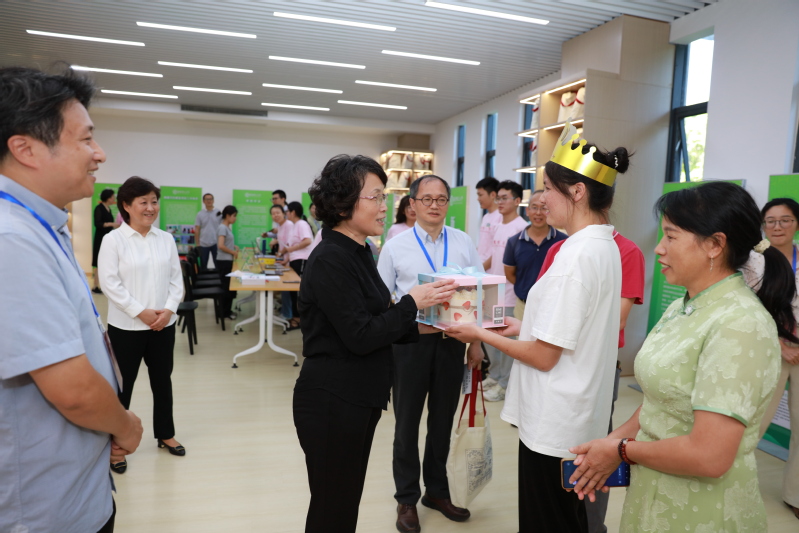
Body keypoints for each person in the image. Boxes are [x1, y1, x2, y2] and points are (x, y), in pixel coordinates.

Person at [568, 181, 797, 532]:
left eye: (671, 236)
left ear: (714, 245)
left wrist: (622, 450)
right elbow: (663, 398)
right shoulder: (683, 306)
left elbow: (710, 456)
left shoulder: (739, 323)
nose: (659, 248)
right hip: (655, 493)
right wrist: (610, 443)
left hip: (703, 510)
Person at [447, 124, 629, 532]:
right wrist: (523, 324)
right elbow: (577, 327)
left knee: (546, 521)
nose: (542, 199)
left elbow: (545, 357)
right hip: (580, 415)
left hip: (555, 423)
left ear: (577, 192)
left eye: (548, 188)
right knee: (568, 519)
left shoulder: (573, 257)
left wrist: (480, 334)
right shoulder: (604, 247)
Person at [0, 65, 143, 533]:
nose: (99, 154)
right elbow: (73, 390)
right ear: (25, 149)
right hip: (44, 512)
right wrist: (124, 425)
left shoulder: (41, 226)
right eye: (85, 139)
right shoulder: (12, 239)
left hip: (74, 491)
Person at [294, 154, 457, 533]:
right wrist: (413, 302)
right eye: (376, 197)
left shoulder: (360, 250)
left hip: (357, 397)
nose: (385, 207)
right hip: (332, 400)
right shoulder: (331, 258)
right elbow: (362, 334)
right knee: (332, 509)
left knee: (344, 503)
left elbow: (382, 320)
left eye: (385, 197)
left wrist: (444, 327)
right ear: (344, 203)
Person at [378, 175, 485, 533]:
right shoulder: (395, 246)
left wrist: (477, 342)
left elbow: (479, 293)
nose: (434, 205)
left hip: (453, 341)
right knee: (407, 423)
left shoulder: (463, 241)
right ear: (413, 204)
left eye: (441, 199)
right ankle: (407, 498)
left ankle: (436, 491)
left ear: (448, 203)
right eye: (427, 199)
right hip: (410, 344)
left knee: (442, 421)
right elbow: (382, 299)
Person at [536, 222, 644, 533]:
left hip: (595, 368)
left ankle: (593, 526)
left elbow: (617, 319)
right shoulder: (560, 248)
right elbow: (542, 307)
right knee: (552, 453)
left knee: (594, 447)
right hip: (551, 366)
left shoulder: (626, 251)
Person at [99, 176, 186, 474]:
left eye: (154, 202)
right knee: (122, 388)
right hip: (126, 328)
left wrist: (168, 310)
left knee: (163, 381)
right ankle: (116, 446)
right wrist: (141, 312)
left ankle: (165, 433)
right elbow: (109, 284)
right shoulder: (114, 240)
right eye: (143, 202)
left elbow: (176, 281)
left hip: (163, 325)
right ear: (126, 206)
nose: (150, 208)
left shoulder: (166, 239)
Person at [744, 197, 799, 520]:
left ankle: (796, 495)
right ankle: (731, 482)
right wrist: (780, 344)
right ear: (763, 225)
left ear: (796, 224)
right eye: (771, 221)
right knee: (754, 420)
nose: (778, 227)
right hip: (767, 348)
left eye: (786, 220)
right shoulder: (753, 262)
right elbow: (750, 307)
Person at [481, 180, 530, 401]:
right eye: (498, 198)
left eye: (504, 198)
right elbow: (493, 256)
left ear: (517, 201)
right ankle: (495, 375)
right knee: (491, 336)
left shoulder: (521, 228)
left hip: (509, 293)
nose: (499, 202)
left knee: (507, 340)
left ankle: (505, 384)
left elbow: (520, 266)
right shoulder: (498, 224)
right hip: (492, 288)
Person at [503, 190, 566, 321]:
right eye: (534, 207)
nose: (538, 213)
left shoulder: (564, 241)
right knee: (520, 335)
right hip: (522, 307)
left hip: (553, 307)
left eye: (543, 208)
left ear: (550, 211)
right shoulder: (514, 242)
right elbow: (510, 273)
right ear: (527, 211)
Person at [281, 201, 314, 328]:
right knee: (293, 291)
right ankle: (295, 317)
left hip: (302, 260)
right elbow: (291, 245)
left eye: (287, 212)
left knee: (298, 291)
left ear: (293, 212)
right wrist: (286, 260)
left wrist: (291, 249)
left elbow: (307, 241)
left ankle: (299, 319)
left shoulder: (301, 224)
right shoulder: (294, 226)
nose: (286, 214)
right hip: (295, 260)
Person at [268, 204, 296, 323]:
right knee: (284, 289)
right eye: (273, 213)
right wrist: (278, 256)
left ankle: (288, 314)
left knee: (287, 289)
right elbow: (281, 244)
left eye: (278, 212)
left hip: (290, 260)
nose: (275, 215)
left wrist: (283, 257)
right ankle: (285, 312)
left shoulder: (289, 225)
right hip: (283, 261)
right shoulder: (280, 226)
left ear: (284, 213)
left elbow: (290, 244)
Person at [92, 187, 118, 293]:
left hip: (107, 238)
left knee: (106, 261)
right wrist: (112, 224)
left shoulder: (109, 209)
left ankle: (103, 285)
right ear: (107, 198)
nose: (113, 199)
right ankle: (95, 286)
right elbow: (97, 223)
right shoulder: (99, 208)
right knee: (98, 261)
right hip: (100, 238)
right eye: (112, 197)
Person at [216, 205, 239, 321]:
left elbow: (225, 243)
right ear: (228, 215)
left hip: (227, 260)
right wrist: (233, 252)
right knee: (226, 287)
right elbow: (220, 245)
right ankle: (224, 312)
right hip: (224, 261)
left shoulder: (226, 227)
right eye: (234, 216)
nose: (235, 218)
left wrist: (233, 246)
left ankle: (226, 310)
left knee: (228, 287)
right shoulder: (222, 228)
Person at [476, 177, 501, 271]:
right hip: (481, 268)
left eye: (480, 195)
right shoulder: (486, 217)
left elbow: (498, 251)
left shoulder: (500, 217)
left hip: (490, 271)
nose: (478, 199)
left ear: (493, 194)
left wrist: (481, 268)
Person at [194, 193, 222, 271]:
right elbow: (197, 229)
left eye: (210, 199)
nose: (209, 201)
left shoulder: (219, 213)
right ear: (203, 201)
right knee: (203, 266)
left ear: (213, 200)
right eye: (207, 199)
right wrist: (197, 244)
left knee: (218, 265)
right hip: (203, 243)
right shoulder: (200, 214)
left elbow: (222, 228)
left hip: (216, 243)